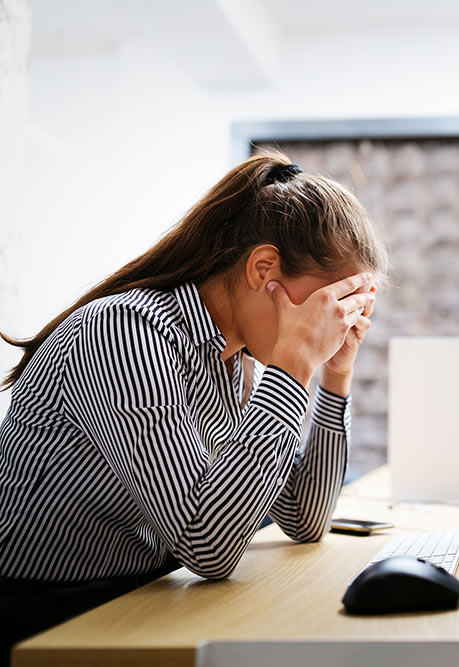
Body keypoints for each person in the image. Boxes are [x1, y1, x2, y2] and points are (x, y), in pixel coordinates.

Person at [0, 151, 388, 661]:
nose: (329, 324)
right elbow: (207, 545)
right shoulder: (127, 331)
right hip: (46, 611)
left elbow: (302, 517)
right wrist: (293, 367)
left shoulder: (229, 359)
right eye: (326, 306)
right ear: (263, 268)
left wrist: (334, 376)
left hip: (141, 591)